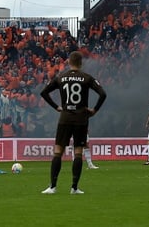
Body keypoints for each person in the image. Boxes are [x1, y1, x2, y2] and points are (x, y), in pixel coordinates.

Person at [40, 50, 107, 194]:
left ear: (69, 62)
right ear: (81, 63)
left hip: (65, 118)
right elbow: (103, 94)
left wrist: (57, 107)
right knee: (78, 152)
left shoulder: (61, 77)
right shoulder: (87, 78)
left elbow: (44, 92)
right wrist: (94, 110)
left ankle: (52, 187)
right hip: (81, 119)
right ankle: (74, 188)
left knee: (58, 151)